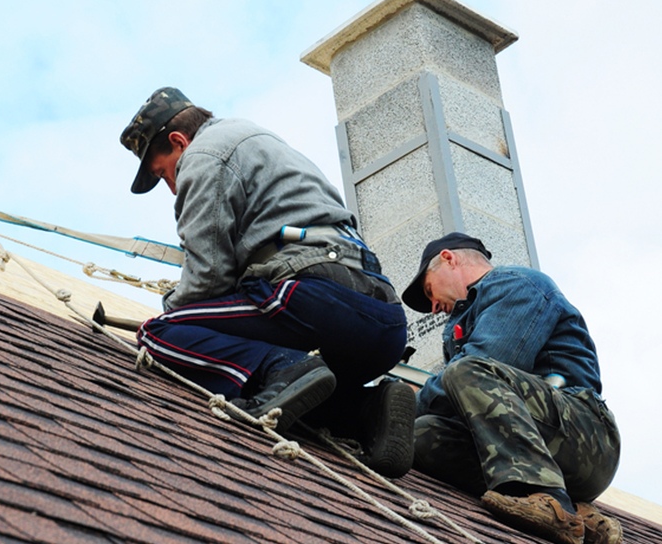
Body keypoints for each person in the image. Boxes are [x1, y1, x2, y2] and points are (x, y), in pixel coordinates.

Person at [120, 87, 414, 477]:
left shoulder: (204, 154)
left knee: (159, 334)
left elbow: (207, 278)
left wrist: (173, 315)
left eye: (163, 173)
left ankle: (283, 366)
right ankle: (365, 411)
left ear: (179, 141)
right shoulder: (257, 139)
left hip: (312, 295)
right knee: (292, 393)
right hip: (384, 322)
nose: (172, 188)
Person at [402, 232, 621, 544]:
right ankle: (575, 512)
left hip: (586, 437)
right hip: (543, 446)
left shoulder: (517, 284)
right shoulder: (468, 320)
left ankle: (550, 501)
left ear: (448, 259)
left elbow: (486, 361)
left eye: (429, 291)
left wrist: (400, 406)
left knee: (465, 370)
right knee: (421, 436)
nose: (434, 307)